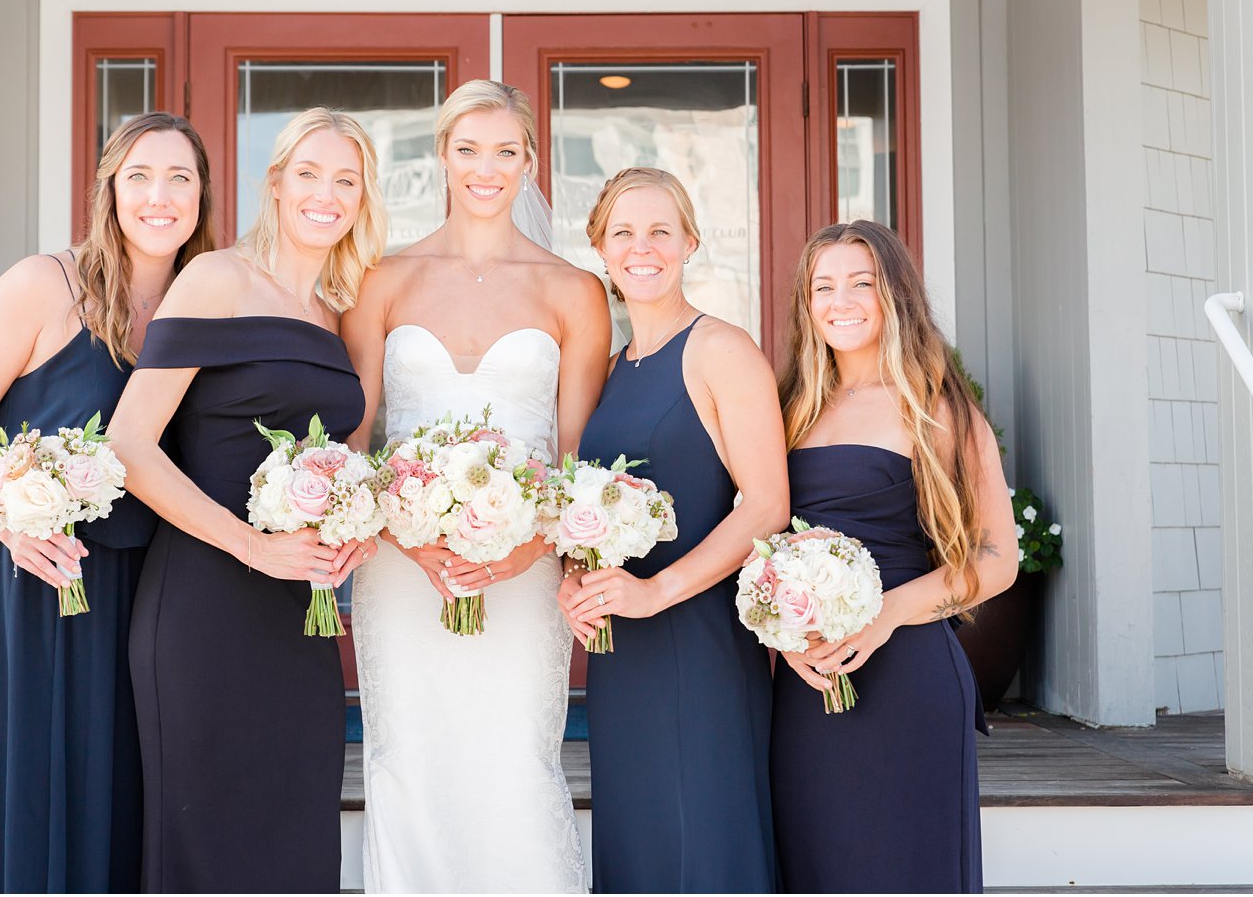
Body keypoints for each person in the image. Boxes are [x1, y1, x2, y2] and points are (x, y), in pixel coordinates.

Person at [0, 112, 214, 892]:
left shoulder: (205, 303)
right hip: (25, 584)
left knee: (116, 793)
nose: (159, 197)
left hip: (140, 596)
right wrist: (15, 527)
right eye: (138, 176)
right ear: (108, 188)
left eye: (180, 178)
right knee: (21, 786)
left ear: (204, 194)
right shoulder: (44, 285)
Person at [107, 107, 387, 893]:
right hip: (203, 604)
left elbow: (348, 452)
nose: (325, 195)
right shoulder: (217, 278)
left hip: (302, 617)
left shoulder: (339, 308)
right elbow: (129, 445)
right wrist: (253, 546)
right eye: (308, 174)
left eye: (346, 180)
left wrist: (354, 526)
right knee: (207, 837)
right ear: (274, 182)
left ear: (363, 199)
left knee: (293, 833)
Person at [342, 79, 612, 893]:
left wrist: (520, 551)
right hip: (399, 567)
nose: (485, 168)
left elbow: (574, 464)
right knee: (408, 761)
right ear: (443, 157)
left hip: (525, 571)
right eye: (468, 150)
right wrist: (412, 541)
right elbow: (358, 444)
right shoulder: (382, 279)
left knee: (512, 761)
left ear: (530, 161)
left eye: (504, 151)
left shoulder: (575, 292)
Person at [554, 167, 786, 893]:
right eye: (623, 232)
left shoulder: (720, 348)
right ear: (600, 248)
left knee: (704, 839)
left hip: (701, 644)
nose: (642, 246)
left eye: (661, 230)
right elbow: (579, 506)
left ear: (690, 241)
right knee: (642, 841)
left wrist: (657, 593)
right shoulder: (613, 369)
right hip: (621, 655)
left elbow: (766, 504)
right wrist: (572, 584)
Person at [770, 220, 1017, 893]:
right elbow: (756, 534)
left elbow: (997, 559)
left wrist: (884, 615)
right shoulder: (788, 408)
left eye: (861, 283)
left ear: (895, 296)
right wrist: (783, 633)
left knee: (904, 867)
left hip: (906, 674)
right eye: (823, 286)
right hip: (808, 677)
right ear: (805, 302)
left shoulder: (936, 407)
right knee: (817, 862)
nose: (839, 301)